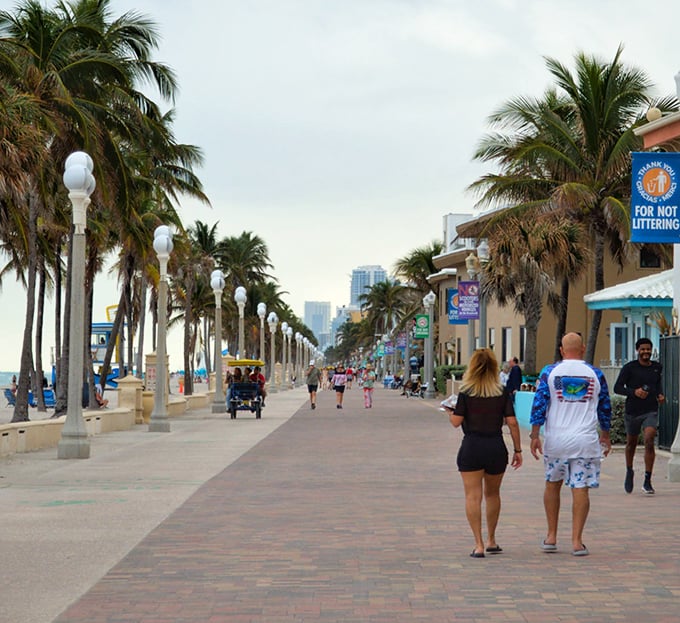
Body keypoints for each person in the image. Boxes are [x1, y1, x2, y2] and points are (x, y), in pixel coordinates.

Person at [529, 332, 612, 557]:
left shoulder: (549, 372)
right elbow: (605, 407)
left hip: (556, 440)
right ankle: (576, 541)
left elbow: (539, 404)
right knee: (580, 488)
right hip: (585, 441)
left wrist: (535, 435)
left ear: (562, 350)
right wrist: (605, 434)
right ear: (583, 349)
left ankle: (551, 536)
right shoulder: (595, 374)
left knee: (552, 484)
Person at [445, 348, 522, 558]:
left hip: (471, 446)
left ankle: (478, 544)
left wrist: (450, 412)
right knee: (493, 494)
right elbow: (513, 423)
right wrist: (518, 450)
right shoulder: (501, 392)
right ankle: (492, 539)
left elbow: (456, 422)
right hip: (496, 446)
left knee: (473, 496)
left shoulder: (466, 392)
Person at [613, 337, 665, 494]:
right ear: (637, 350)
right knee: (631, 444)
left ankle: (647, 480)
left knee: (649, 439)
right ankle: (629, 471)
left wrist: (661, 395)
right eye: (642, 349)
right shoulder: (629, 368)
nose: (645, 352)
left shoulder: (657, 368)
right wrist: (634, 392)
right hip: (633, 411)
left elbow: (658, 385)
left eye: (648, 349)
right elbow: (617, 388)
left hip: (650, 410)